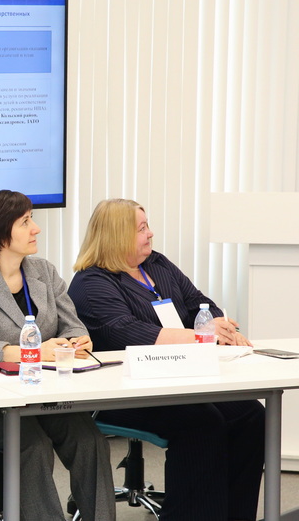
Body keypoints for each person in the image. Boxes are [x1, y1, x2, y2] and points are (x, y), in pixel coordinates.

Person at [68, 198, 265, 521]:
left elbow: (199, 303)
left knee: (250, 414)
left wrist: (217, 324)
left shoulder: (156, 264)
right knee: (201, 422)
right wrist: (202, 334)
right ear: (117, 235)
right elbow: (127, 332)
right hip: (124, 391)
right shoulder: (92, 283)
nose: (150, 233)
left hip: (180, 377)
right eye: (142, 228)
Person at [0, 190, 116, 521]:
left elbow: (73, 326)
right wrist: (31, 352)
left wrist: (76, 342)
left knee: (90, 441)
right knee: (33, 447)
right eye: (25, 222)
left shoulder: (44, 272)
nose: (36, 228)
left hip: (44, 392)